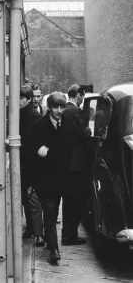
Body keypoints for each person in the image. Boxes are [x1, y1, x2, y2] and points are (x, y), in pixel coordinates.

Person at [0, 86, 45, 246]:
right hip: (22, 163)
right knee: (26, 197)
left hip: (31, 164)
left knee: (31, 198)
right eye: (16, 98)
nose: (18, 101)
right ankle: (33, 229)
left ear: (29, 99)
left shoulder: (34, 117)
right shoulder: (16, 115)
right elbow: (2, 127)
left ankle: (38, 233)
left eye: (21, 98)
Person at [29, 91, 67, 264]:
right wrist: (39, 151)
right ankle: (54, 250)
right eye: (56, 107)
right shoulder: (38, 126)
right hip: (44, 180)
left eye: (62, 107)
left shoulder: (67, 124)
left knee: (53, 212)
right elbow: (29, 151)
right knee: (50, 214)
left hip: (60, 180)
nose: (59, 110)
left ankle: (50, 241)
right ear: (50, 108)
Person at [60, 84, 90, 245]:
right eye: (82, 96)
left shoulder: (63, 111)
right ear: (77, 95)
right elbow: (83, 135)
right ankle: (70, 236)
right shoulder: (76, 112)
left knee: (68, 202)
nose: (82, 100)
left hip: (66, 164)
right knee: (78, 202)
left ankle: (67, 235)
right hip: (77, 165)